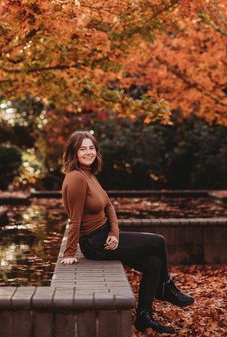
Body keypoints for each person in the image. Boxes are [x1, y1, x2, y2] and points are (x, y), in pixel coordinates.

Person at [60, 130, 194, 334]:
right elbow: (75, 219)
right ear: (73, 152)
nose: (88, 152)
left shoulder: (89, 174)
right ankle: (166, 287)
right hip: (95, 243)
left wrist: (114, 232)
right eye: (82, 149)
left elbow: (109, 205)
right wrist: (69, 253)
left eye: (91, 148)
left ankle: (144, 317)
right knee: (158, 242)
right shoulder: (76, 178)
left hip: (105, 234)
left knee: (153, 263)